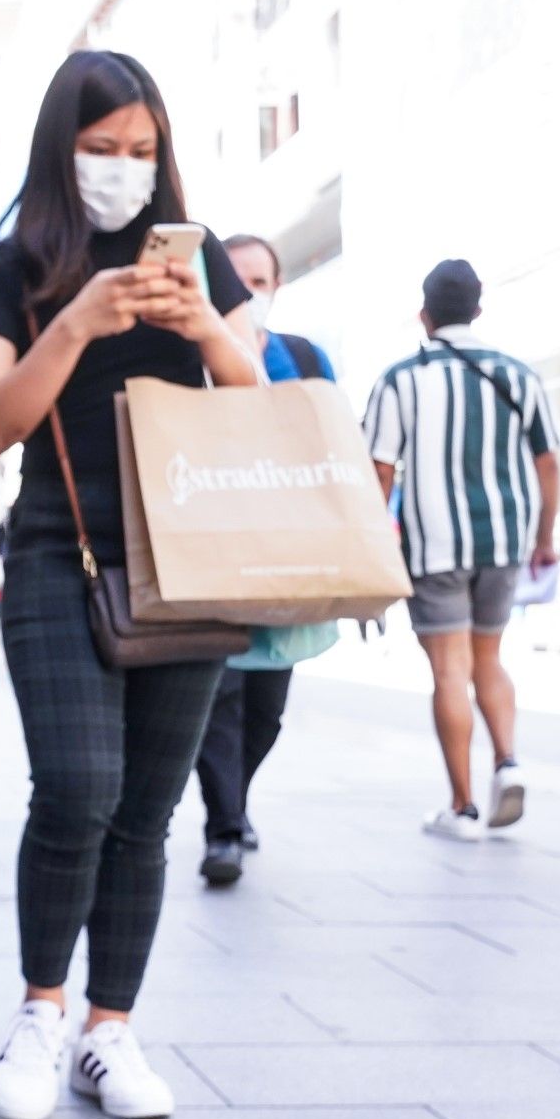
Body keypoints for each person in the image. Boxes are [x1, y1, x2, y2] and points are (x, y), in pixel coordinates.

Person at [0, 48, 267, 1119]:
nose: (125, 168)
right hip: (56, 545)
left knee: (145, 810)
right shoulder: (7, 270)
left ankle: (109, 1027)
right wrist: (79, 317)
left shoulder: (202, 262)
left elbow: (258, 398)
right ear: (62, 148)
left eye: (143, 150)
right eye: (102, 149)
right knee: (78, 786)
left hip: (191, 556)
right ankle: (41, 1010)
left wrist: (206, 327)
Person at [363, 259, 560, 842]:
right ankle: (508, 761)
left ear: (423, 315)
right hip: (503, 541)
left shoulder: (400, 379)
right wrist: (544, 538)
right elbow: (549, 462)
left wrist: (376, 542)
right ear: (478, 311)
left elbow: (380, 469)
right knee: (489, 660)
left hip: (434, 545)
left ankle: (464, 807)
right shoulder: (519, 376)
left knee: (449, 671)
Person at [191, 232, 333, 886]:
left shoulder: (303, 356)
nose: (249, 293)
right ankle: (224, 829)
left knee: (267, 705)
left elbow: (334, 443)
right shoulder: (192, 354)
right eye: (237, 280)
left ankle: (234, 802)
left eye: (261, 281)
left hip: (288, 548)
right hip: (212, 544)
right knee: (218, 696)